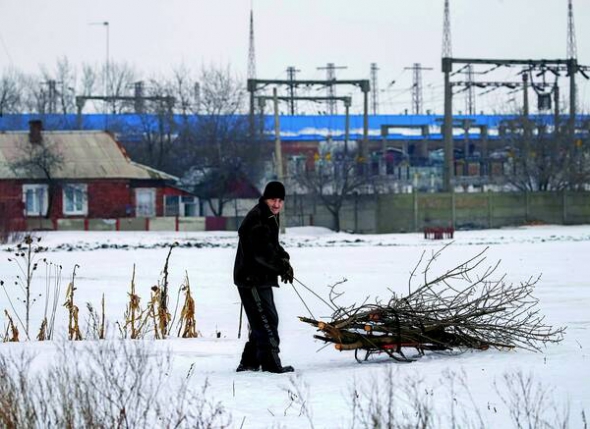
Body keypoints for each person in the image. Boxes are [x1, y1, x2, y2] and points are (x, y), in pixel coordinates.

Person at [233, 181, 295, 373]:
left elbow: (272, 246)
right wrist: (279, 266)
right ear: (265, 199)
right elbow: (260, 252)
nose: (276, 204)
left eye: (280, 200)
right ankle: (271, 364)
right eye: (272, 200)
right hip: (251, 279)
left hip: (261, 278)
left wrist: (284, 261)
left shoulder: (268, 216)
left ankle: (250, 362)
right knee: (266, 320)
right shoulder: (257, 218)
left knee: (262, 320)